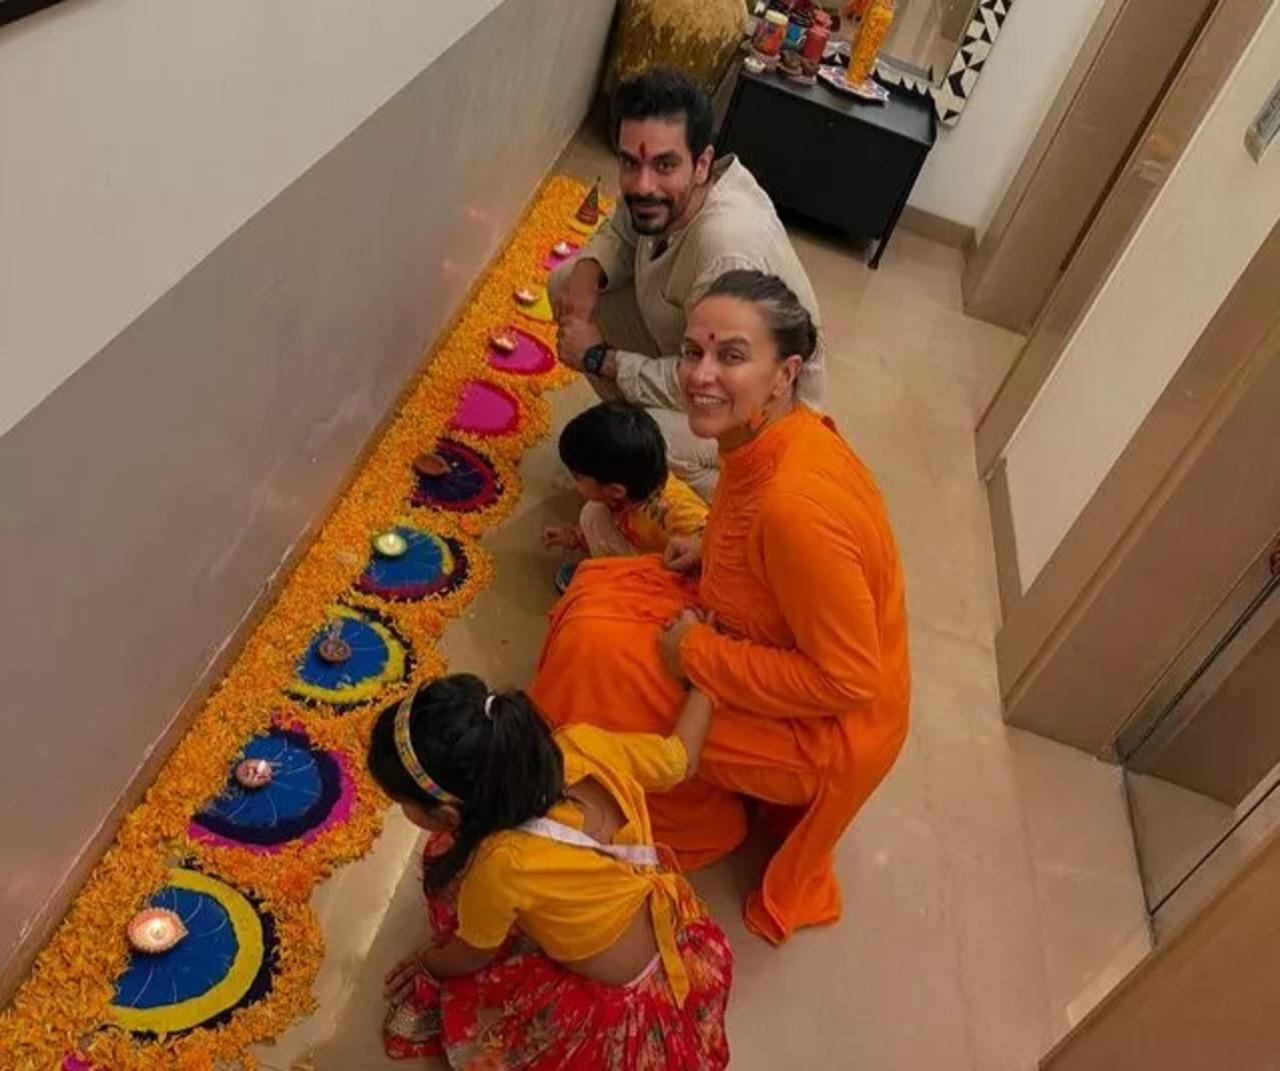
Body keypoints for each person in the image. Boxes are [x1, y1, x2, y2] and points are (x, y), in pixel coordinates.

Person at [531, 270, 910, 945]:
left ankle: (687, 818)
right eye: (692, 352)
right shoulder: (771, 435)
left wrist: (699, 654)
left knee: (599, 655)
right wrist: (710, 544)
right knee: (597, 589)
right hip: (749, 629)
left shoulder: (798, 504)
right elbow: (758, 531)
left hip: (824, 735)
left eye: (731, 355)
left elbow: (850, 682)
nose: (700, 375)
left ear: (783, 372)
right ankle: (581, 755)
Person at [370, 672, 733, 1069]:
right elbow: (680, 759)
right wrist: (705, 681)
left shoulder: (500, 863)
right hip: (683, 937)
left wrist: (428, 963)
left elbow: (472, 956)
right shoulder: (578, 743)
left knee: (451, 876)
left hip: (620, 1013)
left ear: (445, 813)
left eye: (402, 803)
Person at [551, 66, 823, 501]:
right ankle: (634, 438)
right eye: (629, 162)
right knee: (565, 281)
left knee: (645, 444)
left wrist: (600, 357)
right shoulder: (667, 187)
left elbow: (713, 374)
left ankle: (712, 510)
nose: (643, 184)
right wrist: (587, 274)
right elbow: (624, 226)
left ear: (701, 164)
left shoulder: (725, 246)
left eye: (664, 165)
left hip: (753, 416)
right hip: (694, 351)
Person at [542, 400, 708, 592]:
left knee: (594, 515)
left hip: (675, 582)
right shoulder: (632, 487)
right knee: (594, 514)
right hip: (643, 547)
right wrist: (576, 537)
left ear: (615, 491)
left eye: (577, 477)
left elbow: (717, 541)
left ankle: (614, 583)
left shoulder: (674, 508)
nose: (574, 482)